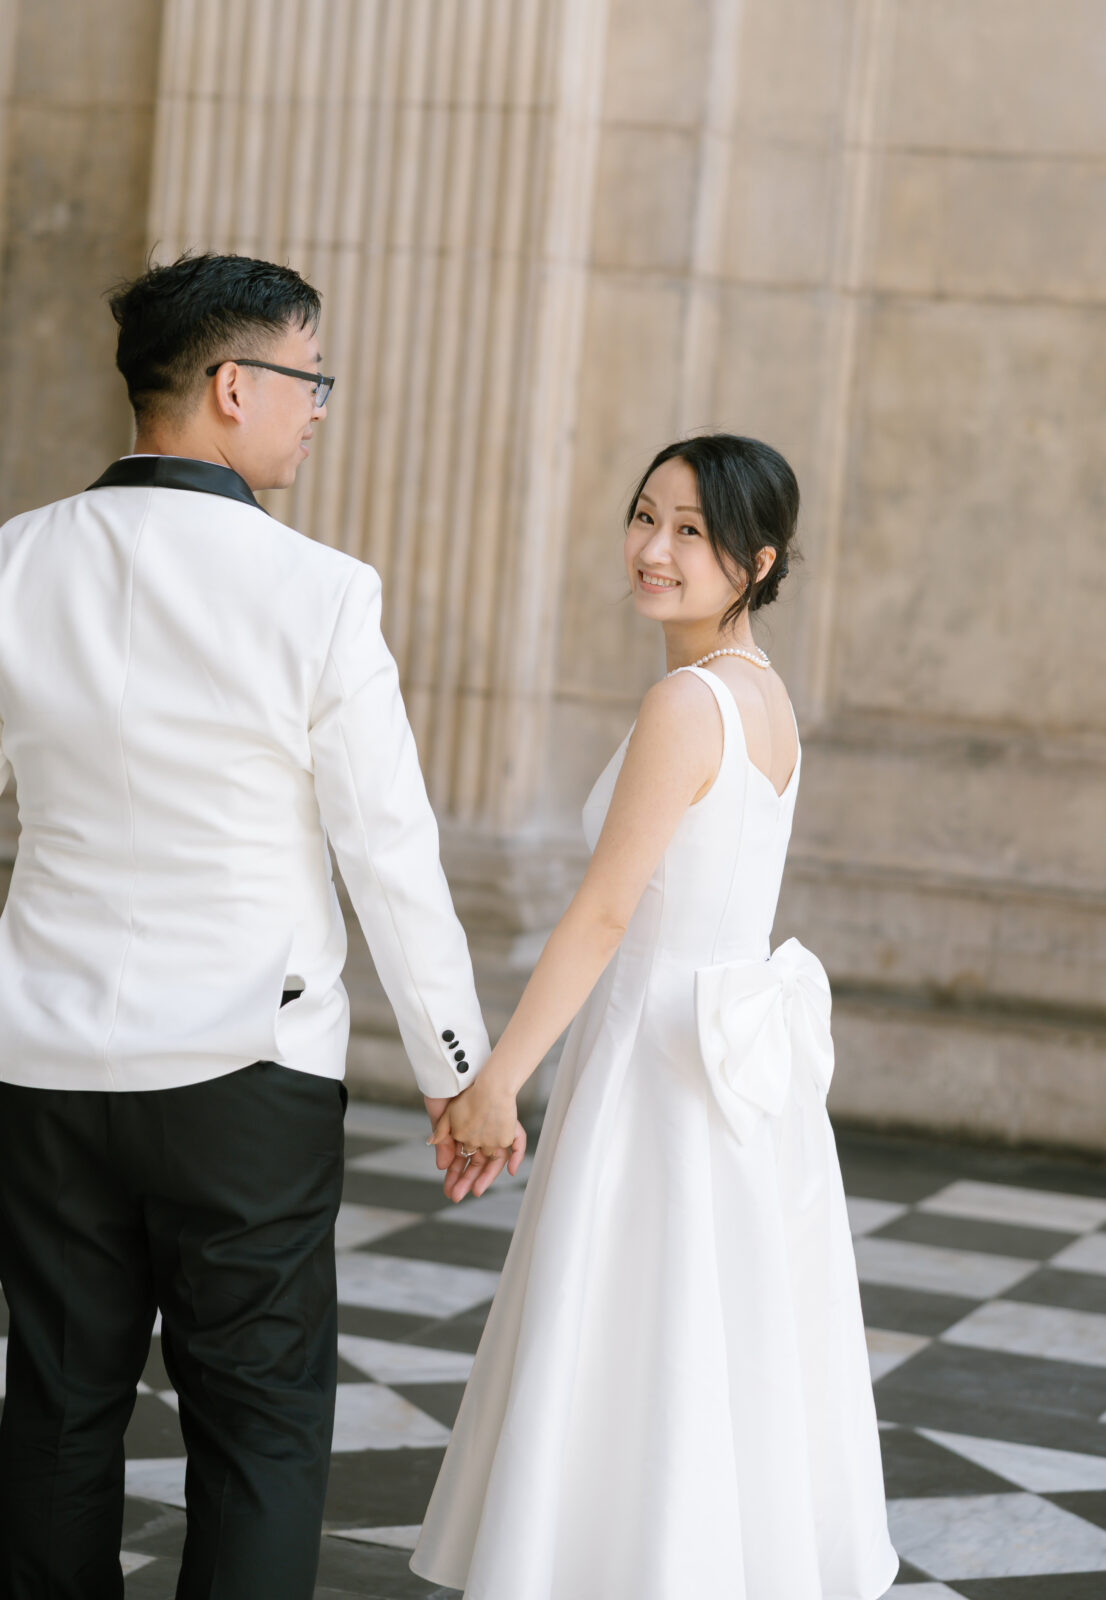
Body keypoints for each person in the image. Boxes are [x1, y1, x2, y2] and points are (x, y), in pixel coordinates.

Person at [0, 251, 522, 1600]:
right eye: (310, 378)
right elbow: (387, 853)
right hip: (246, 1074)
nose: (319, 409)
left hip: (40, 1060)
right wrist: (459, 1068)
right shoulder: (318, 590)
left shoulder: (13, 562)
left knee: (53, 1416)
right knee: (259, 1429)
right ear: (233, 387)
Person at [412, 434, 899, 1598]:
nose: (653, 548)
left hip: (658, 1054)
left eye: (691, 531)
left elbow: (600, 914)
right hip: (724, 1063)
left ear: (755, 561)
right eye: (644, 517)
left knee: (635, 1317)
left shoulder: (686, 701)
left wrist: (494, 1082)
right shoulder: (762, 694)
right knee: (704, 1325)